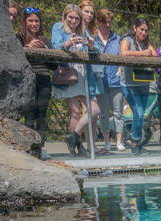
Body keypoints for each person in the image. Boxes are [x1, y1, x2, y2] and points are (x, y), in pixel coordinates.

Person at [51, 4, 102, 156]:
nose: (73, 21)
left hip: (84, 75)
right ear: (65, 16)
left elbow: (96, 49)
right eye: (71, 17)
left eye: (77, 18)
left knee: (94, 109)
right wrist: (67, 44)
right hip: (69, 74)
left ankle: (73, 136)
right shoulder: (58, 28)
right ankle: (76, 147)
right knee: (75, 113)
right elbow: (54, 47)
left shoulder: (83, 30)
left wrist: (92, 46)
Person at [17, 7, 53, 159]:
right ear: (25, 22)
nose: (34, 24)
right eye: (31, 20)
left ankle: (41, 147)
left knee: (42, 115)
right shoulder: (18, 38)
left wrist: (44, 50)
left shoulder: (46, 40)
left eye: (36, 21)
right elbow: (14, 58)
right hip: (27, 80)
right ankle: (29, 146)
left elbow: (54, 65)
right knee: (29, 114)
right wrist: (28, 48)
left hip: (44, 79)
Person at [119, 17, 155, 155]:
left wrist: (148, 52)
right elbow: (124, 53)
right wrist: (142, 54)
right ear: (135, 28)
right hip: (129, 83)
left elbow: (154, 53)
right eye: (141, 29)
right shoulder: (126, 39)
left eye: (146, 30)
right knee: (139, 113)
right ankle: (135, 142)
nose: (144, 32)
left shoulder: (146, 42)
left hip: (144, 82)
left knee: (141, 115)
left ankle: (136, 143)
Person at [93, 8, 125, 152]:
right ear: (98, 22)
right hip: (100, 82)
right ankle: (106, 141)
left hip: (116, 81)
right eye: (104, 22)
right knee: (104, 113)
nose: (107, 25)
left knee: (118, 112)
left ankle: (119, 141)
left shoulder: (117, 39)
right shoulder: (93, 39)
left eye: (109, 22)